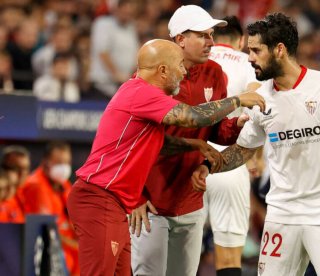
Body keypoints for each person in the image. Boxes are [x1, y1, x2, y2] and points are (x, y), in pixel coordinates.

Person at [192, 13, 320, 275]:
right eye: (249, 49)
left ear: (279, 50)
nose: (250, 57)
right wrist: (209, 165)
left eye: (256, 50)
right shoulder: (261, 98)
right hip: (281, 215)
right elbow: (244, 150)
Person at [67, 39, 264, 276]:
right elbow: (192, 116)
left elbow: (158, 142)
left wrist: (194, 144)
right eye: (180, 66)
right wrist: (238, 100)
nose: (183, 72)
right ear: (162, 70)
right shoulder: (142, 92)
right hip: (100, 198)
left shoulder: (141, 94)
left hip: (116, 204)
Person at [129, 6, 258, 276]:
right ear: (180, 40)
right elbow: (133, 139)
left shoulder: (214, 72)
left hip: (191, 199)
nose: (211, 42)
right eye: (202, 35)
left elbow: (214, 130)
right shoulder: (154, 77)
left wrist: (236, 124)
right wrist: (135, 196)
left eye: (211, 35)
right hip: (152, 201)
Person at [204, 15, 260, 276]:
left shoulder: (194, 59)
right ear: (241, 41)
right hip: (229, 163)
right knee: (228, 259)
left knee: (182, 253)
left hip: (189, 160)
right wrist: (255, 156)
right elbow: (259, 108)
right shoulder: (249, 63)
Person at [20, 141, 79, 275]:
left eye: (66, 162)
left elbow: (74, 220)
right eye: (58, 162)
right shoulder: (36, 186)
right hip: (52, 256)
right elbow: (47, 231)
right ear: (45, 162)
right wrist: (79, 246)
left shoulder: (63, 184)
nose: (63, 167)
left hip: (71, 256)